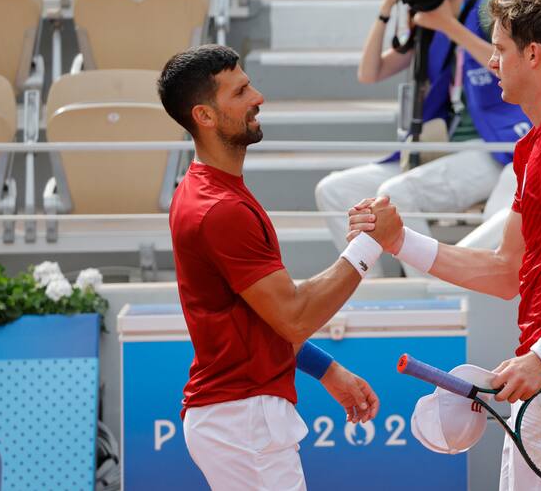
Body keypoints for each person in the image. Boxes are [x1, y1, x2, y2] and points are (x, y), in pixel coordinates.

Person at [348, 0, 541, 490]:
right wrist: (398, 241)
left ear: (533, 55)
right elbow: (505, 270)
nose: (490, 61)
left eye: (499, 49)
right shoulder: (539, 142)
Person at [157, 44, 403, 491]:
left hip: (240, 418)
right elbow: (293, 315)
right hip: (243, 419)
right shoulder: (220, 208)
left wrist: (327, 369)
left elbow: (266, 317)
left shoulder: (209, 193)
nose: (259, 97)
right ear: (205, 116)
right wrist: (371, 245)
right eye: (241, 91)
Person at [315, 0, 532, 276]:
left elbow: (510, 65)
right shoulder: (425, 22)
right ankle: (366, 287)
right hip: (445, 150)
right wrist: (388, 6)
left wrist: (449, 24)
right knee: (334, 190)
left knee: (398, 193)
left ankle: (435, 293)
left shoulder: (486, 8)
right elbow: (369, 72)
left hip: (496, 146)